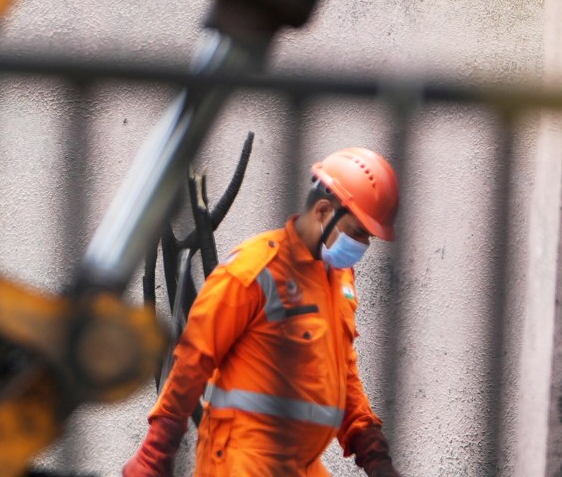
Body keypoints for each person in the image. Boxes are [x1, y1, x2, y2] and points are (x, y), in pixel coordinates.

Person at [120, 147, 403, 477]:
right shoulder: (255, 268)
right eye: (356, 232)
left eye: (367, 237)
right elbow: (194, 356)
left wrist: (372, 450)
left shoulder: (338, 278)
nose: (362, 245)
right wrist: (156, 450)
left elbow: (343, 370)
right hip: (241, 462)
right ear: (324, 211)